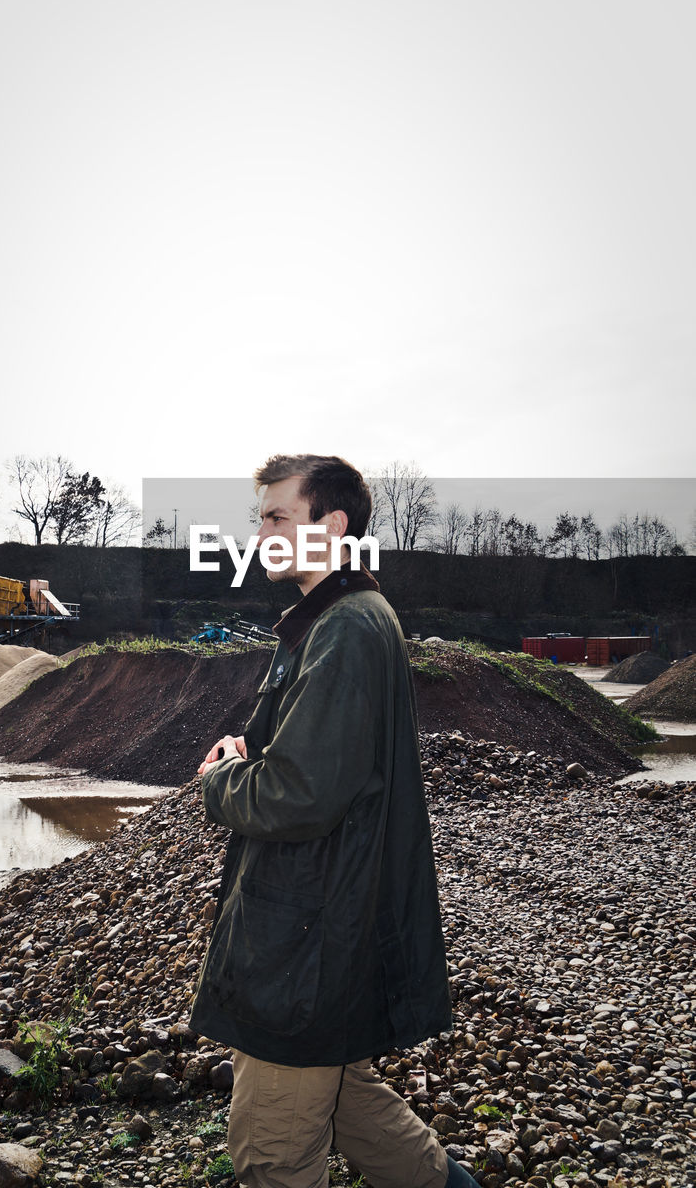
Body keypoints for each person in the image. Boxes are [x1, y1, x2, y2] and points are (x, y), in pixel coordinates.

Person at [190, 454, 477, 1188]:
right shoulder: (338, 619)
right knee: (353, 1104)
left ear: (333, 525)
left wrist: (221, 780)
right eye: (260, 517)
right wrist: (258, 750)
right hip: (327, 929)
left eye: (277, 516)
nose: (260, 533)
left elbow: (299, 794)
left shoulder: (346, 629)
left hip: (307, 940)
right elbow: (318, 761)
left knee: (272, 1157)